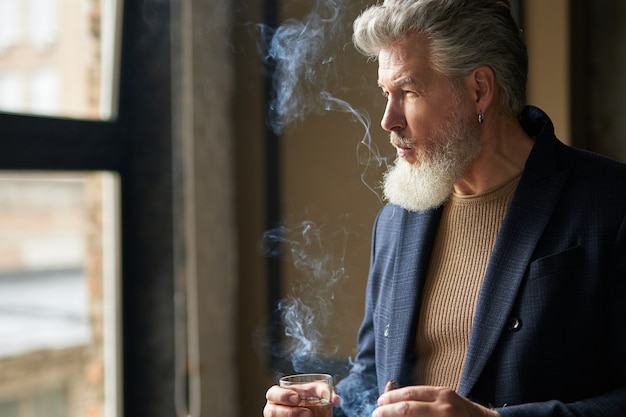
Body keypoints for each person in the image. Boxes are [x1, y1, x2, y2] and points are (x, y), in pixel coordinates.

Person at [264, 0, 626, 416]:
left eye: (408, 92)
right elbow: (373, 376)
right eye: (386, 94)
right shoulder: (396, 219)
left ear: (479, 90)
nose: (388, 120)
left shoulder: (611, 204)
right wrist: (327, 411)